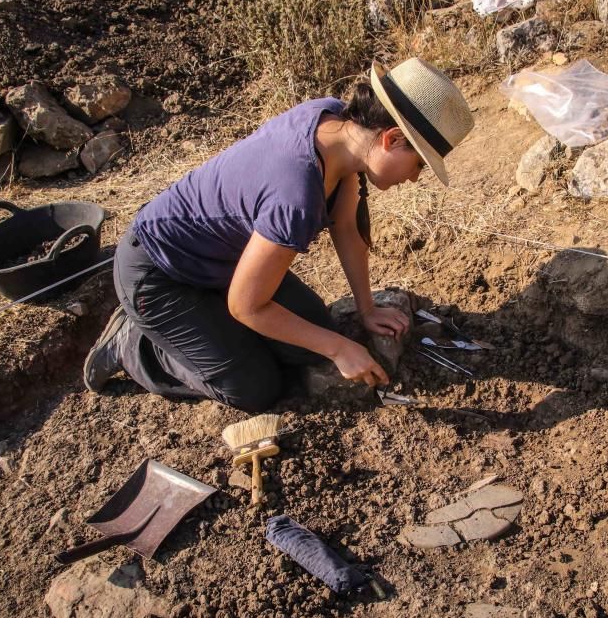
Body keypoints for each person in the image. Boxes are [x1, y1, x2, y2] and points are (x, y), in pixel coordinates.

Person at [82, 58, 474, 412]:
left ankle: (207, 328)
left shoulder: (337, 123)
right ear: (390, 139)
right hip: (158, 274)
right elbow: (247, 306)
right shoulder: (297, 195)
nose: (414, 178)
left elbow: (346, 225)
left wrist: (367, 308)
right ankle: (136, 347)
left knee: (311, 332)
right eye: (419, 164)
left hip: (221, 261)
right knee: (254, 386)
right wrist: (339, 348)